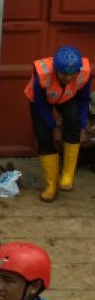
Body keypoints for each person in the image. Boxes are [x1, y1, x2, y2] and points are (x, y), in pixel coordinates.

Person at [25, 45, 91, 201]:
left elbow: (83, 101)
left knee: (74, 120)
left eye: (72, 74)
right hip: (40, 101)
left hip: (67, 97)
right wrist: (53, 127)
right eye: (64, 74)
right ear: (56, 69)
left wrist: (83, 126)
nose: (68, 78)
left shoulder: (84, 74)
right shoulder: (42, 74)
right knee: (43, 137)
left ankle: (67, 175)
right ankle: (51, 186)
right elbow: (40, 105)